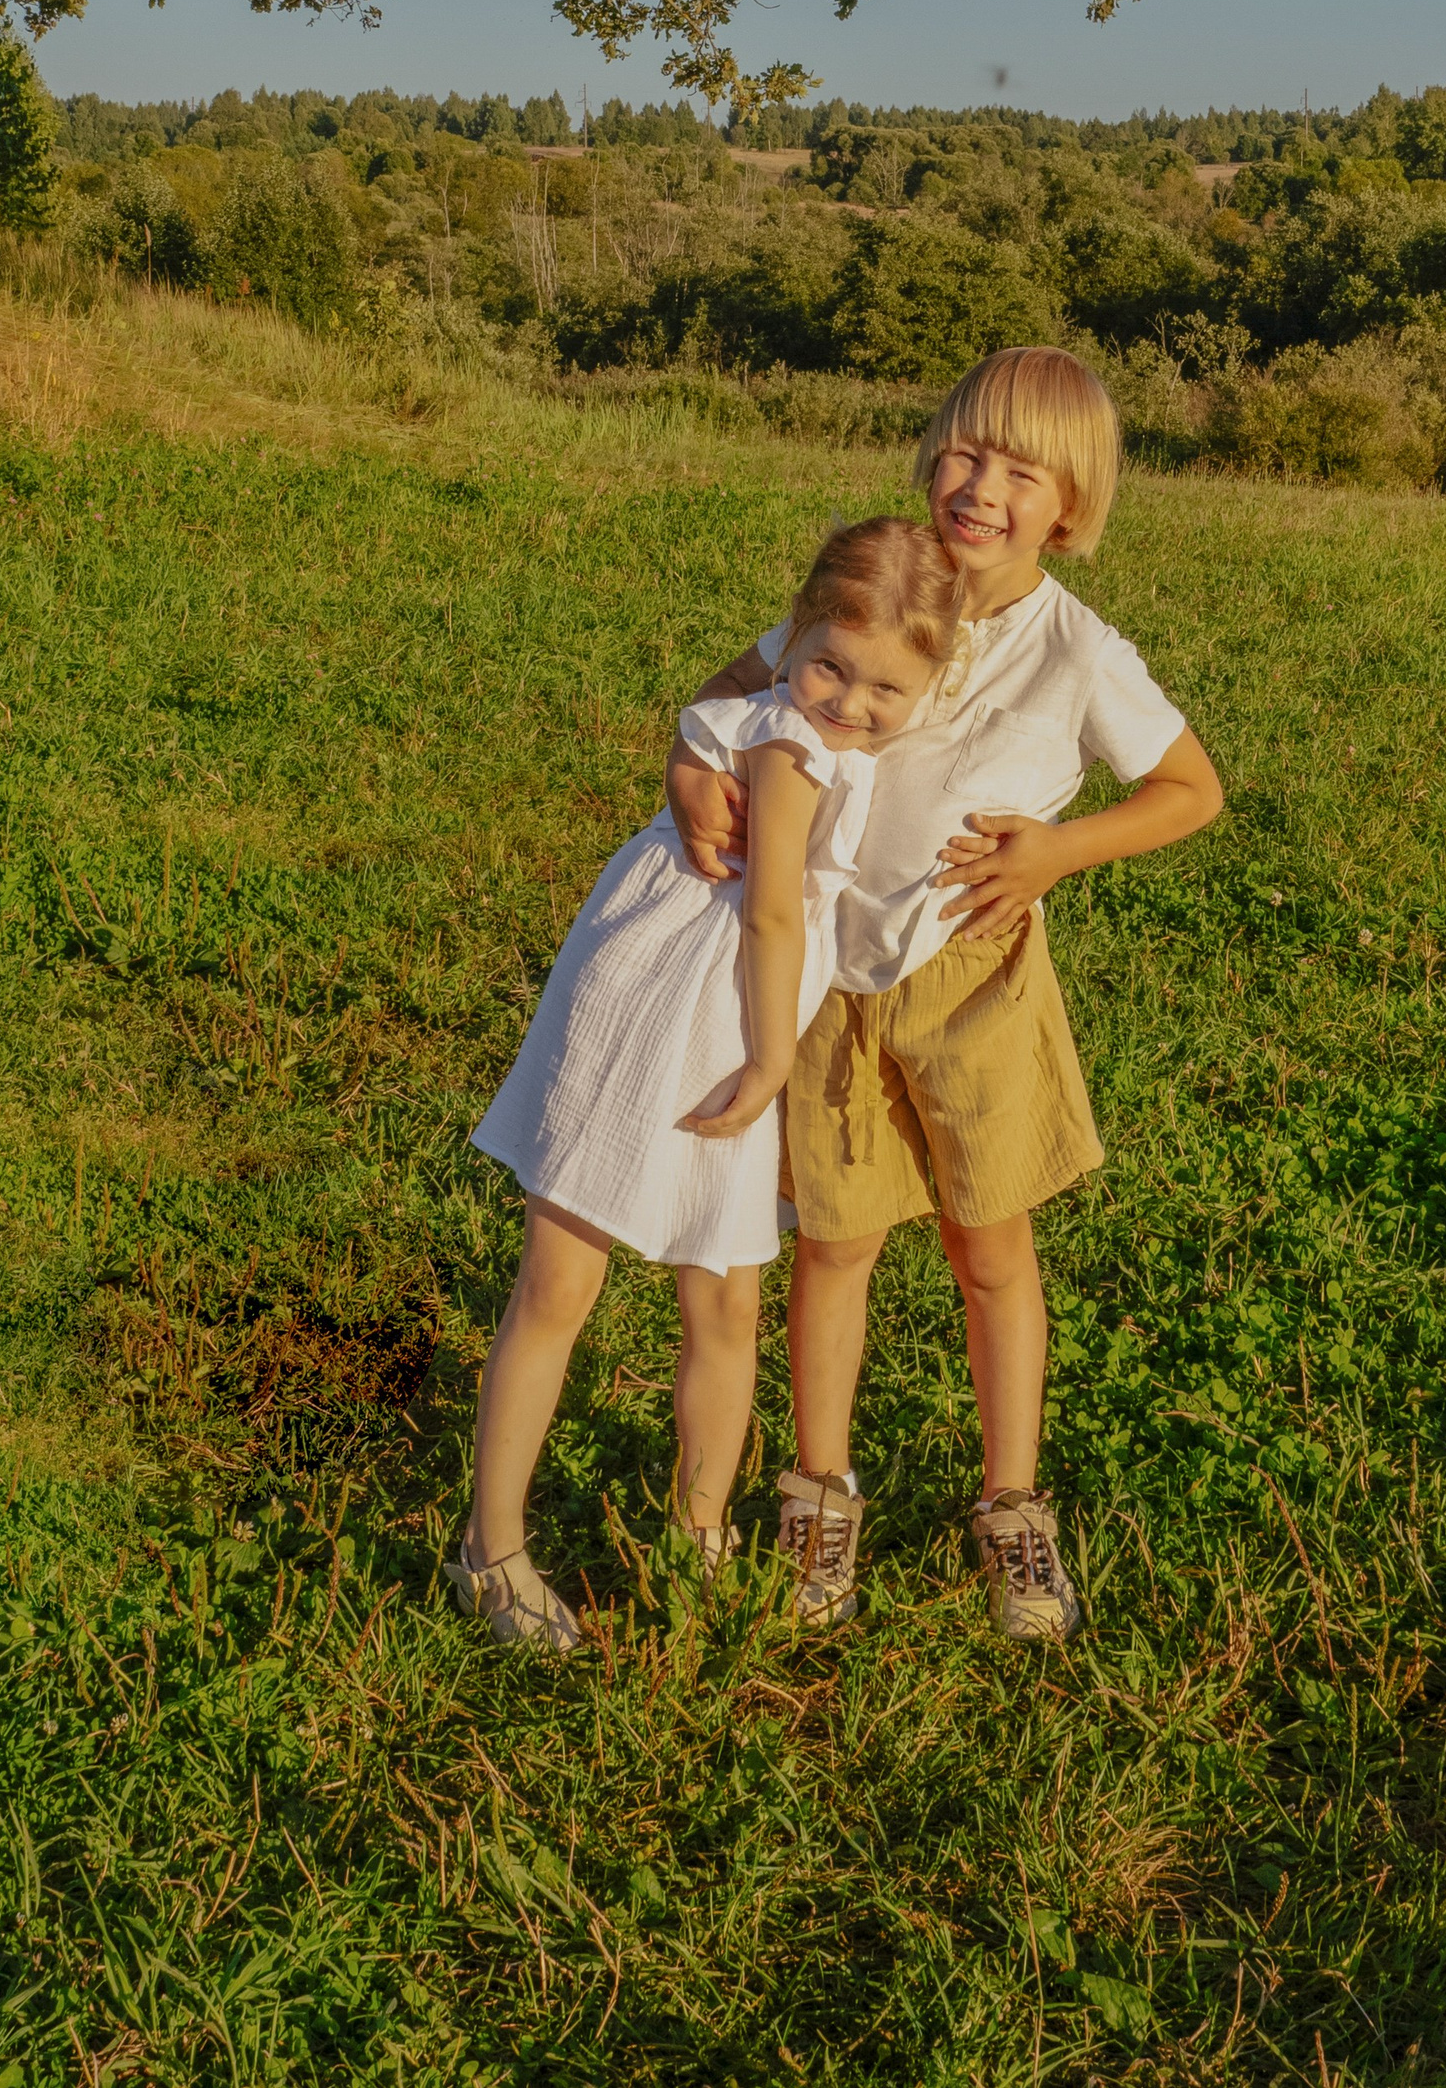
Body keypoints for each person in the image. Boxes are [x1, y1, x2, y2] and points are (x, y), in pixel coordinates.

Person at [665, 346, 1223, 1646]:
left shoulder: (1080, 651)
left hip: (977, 978)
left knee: (993, 1249)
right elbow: (723, 698)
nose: (983, 487)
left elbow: (1191, 791)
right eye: (968, 452)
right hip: (827, 975)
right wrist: (697, 776)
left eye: (1024, 473)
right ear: (932, 457)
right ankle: (818, 1491)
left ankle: (1014, 1505)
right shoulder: (882, 587)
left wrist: (1056, 851)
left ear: (1069, 508)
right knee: (835, 1242)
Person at [450, 516, 962, 1653]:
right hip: (673, 997)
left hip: (738, 1002)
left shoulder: (856, 733)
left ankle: (698, 1533)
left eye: (887, 683)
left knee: (726, 1298)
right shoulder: (791, 745)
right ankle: (490, 1548)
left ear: (933, 676)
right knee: (559, 1279)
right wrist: (775, 1056)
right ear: (791, 641)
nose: (850, 699)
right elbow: (774, 907)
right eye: (829, 663)